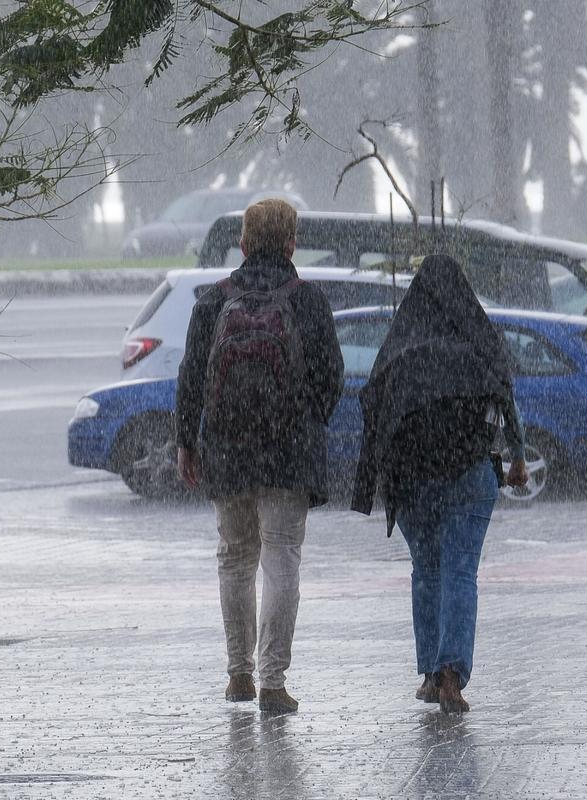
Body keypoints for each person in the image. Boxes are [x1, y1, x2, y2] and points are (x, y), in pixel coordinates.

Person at [176, 198, 342, 714]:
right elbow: (331, 378)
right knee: (281, 558)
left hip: (227, 450)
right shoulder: (307, 301)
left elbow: (191, 379)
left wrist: (188, 441)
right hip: (288, 452)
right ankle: (273, 681)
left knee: (234, 559)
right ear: (292, 243)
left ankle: (237, 675)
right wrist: (302, 421)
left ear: (243, 244)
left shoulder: (213, 300)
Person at [351, 253, 527, 714]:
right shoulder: (478, 341)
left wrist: (377, 479)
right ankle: (452, 674)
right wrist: (519, 457)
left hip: (412, 483)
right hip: (470, 472)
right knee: (460, 570)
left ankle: (430, 673)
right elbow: (506, 396)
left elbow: (374, 410)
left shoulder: (399, 348)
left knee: (426, 570)